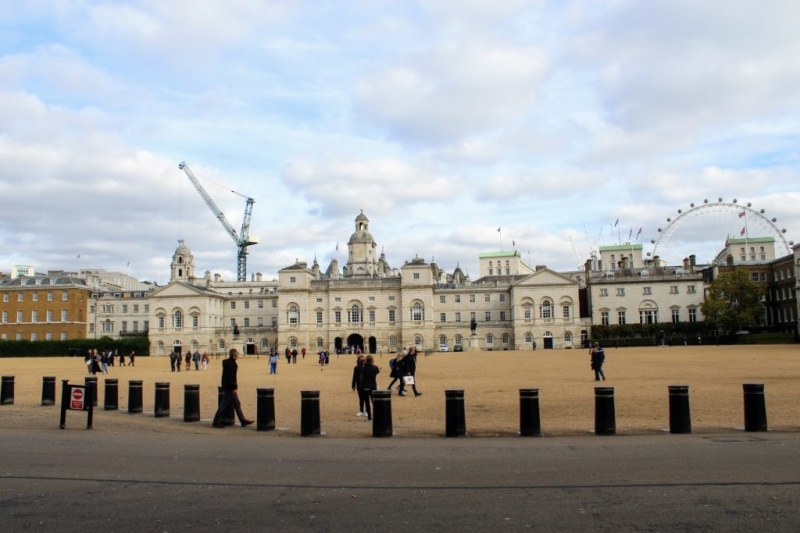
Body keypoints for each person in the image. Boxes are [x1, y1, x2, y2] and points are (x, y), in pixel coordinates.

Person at [212, 349, 254, 428]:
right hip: (229, 388)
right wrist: (234, 387)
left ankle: (243, 420)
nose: (238, 355)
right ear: (234, 355)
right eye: (237, 354)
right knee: (223, 405)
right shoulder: (232, 364)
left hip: (227, 386)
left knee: (237, 404)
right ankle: (216, 422)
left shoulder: (228, 363)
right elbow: (231, 377)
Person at [359, 355, 380, 422]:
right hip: (373, 386)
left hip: (365, 386)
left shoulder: (364, 367)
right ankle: (377, 416)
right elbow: (377, 371)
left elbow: (362, 376)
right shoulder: (375, 367)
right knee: (374, 401)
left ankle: (369, 417)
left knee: (367, 403)